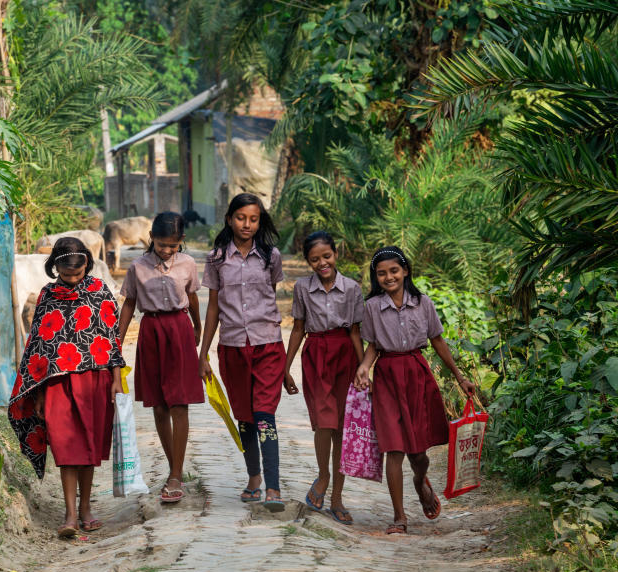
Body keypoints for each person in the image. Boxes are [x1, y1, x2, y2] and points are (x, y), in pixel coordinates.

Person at [8, 237, 125, 538]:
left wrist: (117, 379)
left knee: (88, 445)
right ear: (55, 267)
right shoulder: (47, 294)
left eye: (78, 274)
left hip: (95, 380)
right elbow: (39, 343)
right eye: (66, 275)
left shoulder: (100, 291)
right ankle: (70, 514)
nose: (72, 281)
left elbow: (112, 337)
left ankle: (86, 508)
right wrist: (38, 391)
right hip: (58, 382)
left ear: (87, 262)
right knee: (65, 446)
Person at [353, 246, 475, 535]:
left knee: (418, 454)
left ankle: (420, 482)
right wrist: (364, 368)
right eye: (381, 273)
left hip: (417, 375)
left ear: (405, 271)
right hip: (387, 378)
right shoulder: (371, 307)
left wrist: (460, 377)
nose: (388, 277)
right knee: (393, 449)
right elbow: (372, 346)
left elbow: (438, 341)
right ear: (375, 278)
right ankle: (399, 517)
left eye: (394, 270)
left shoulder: (423, 303)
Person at [198, 193, 287, 511]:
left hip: (268, 346)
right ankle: (253, 477)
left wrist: (285, 365)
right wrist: (203, 353)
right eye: (240, 218)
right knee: (245, 417)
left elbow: (271, 299)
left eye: (253, 219)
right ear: (229, 219)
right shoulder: (216, 258)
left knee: (265, 415)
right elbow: (213, 308)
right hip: (233, 348)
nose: (247, 224)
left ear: (260, 221)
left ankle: (273, 487)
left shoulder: (270, 256)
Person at [118, 212, 204, 503]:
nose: (167, 251)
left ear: (181, 242)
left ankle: (176, 474)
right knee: (159, 406)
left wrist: (197, 327)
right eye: (161, 244)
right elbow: (129, 303)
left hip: (179, 330)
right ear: (151, 237)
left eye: (173, 245)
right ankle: (173, 468)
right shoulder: (137, 267)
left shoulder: (188, 264)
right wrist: (116, 342)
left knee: (180, 403)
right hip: (151, 332)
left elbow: (192, 297)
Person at [283, 231, 364, 524]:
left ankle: (337, 498)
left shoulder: (352, 288)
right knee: (323, 422)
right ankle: (323, 475)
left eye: (326, 256)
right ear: (308, 262)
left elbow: (355, 332)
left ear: (336, 254)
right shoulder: (302, 288)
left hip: (345, 355)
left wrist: (363, 368)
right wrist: (286, 366)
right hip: (316, 354)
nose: (322, 263)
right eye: (315, 259)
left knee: (342, 426)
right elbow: (297, 328)